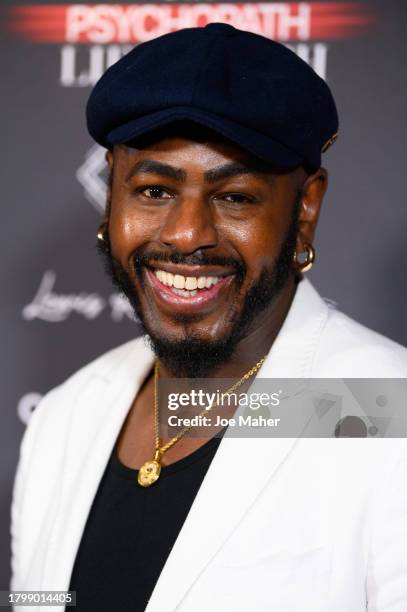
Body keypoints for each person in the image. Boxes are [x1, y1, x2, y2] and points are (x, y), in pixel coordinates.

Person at [10, 23, 407, 612]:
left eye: (236, 196)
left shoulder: (384, 410)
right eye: (153, 190)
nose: (187, 235)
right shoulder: (67, 416)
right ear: (111, 196)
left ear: (306, 209)